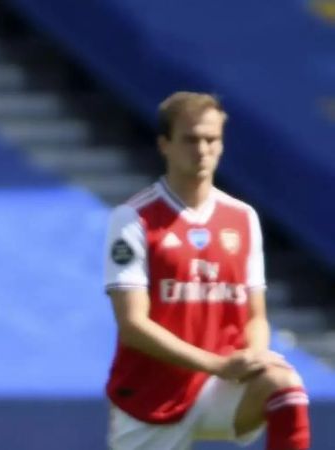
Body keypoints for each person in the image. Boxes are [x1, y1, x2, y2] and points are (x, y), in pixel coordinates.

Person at [103, 91, 311, 450]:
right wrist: (216, 364)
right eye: (190, 139)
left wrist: (255, 356)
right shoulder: (133, 218)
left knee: (285, 388)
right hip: (152, 394)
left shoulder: (242, 218)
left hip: (220, 385)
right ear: (164, 144)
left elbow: (255, 315)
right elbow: (133, 326)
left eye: (211, 139)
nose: (202, 150)